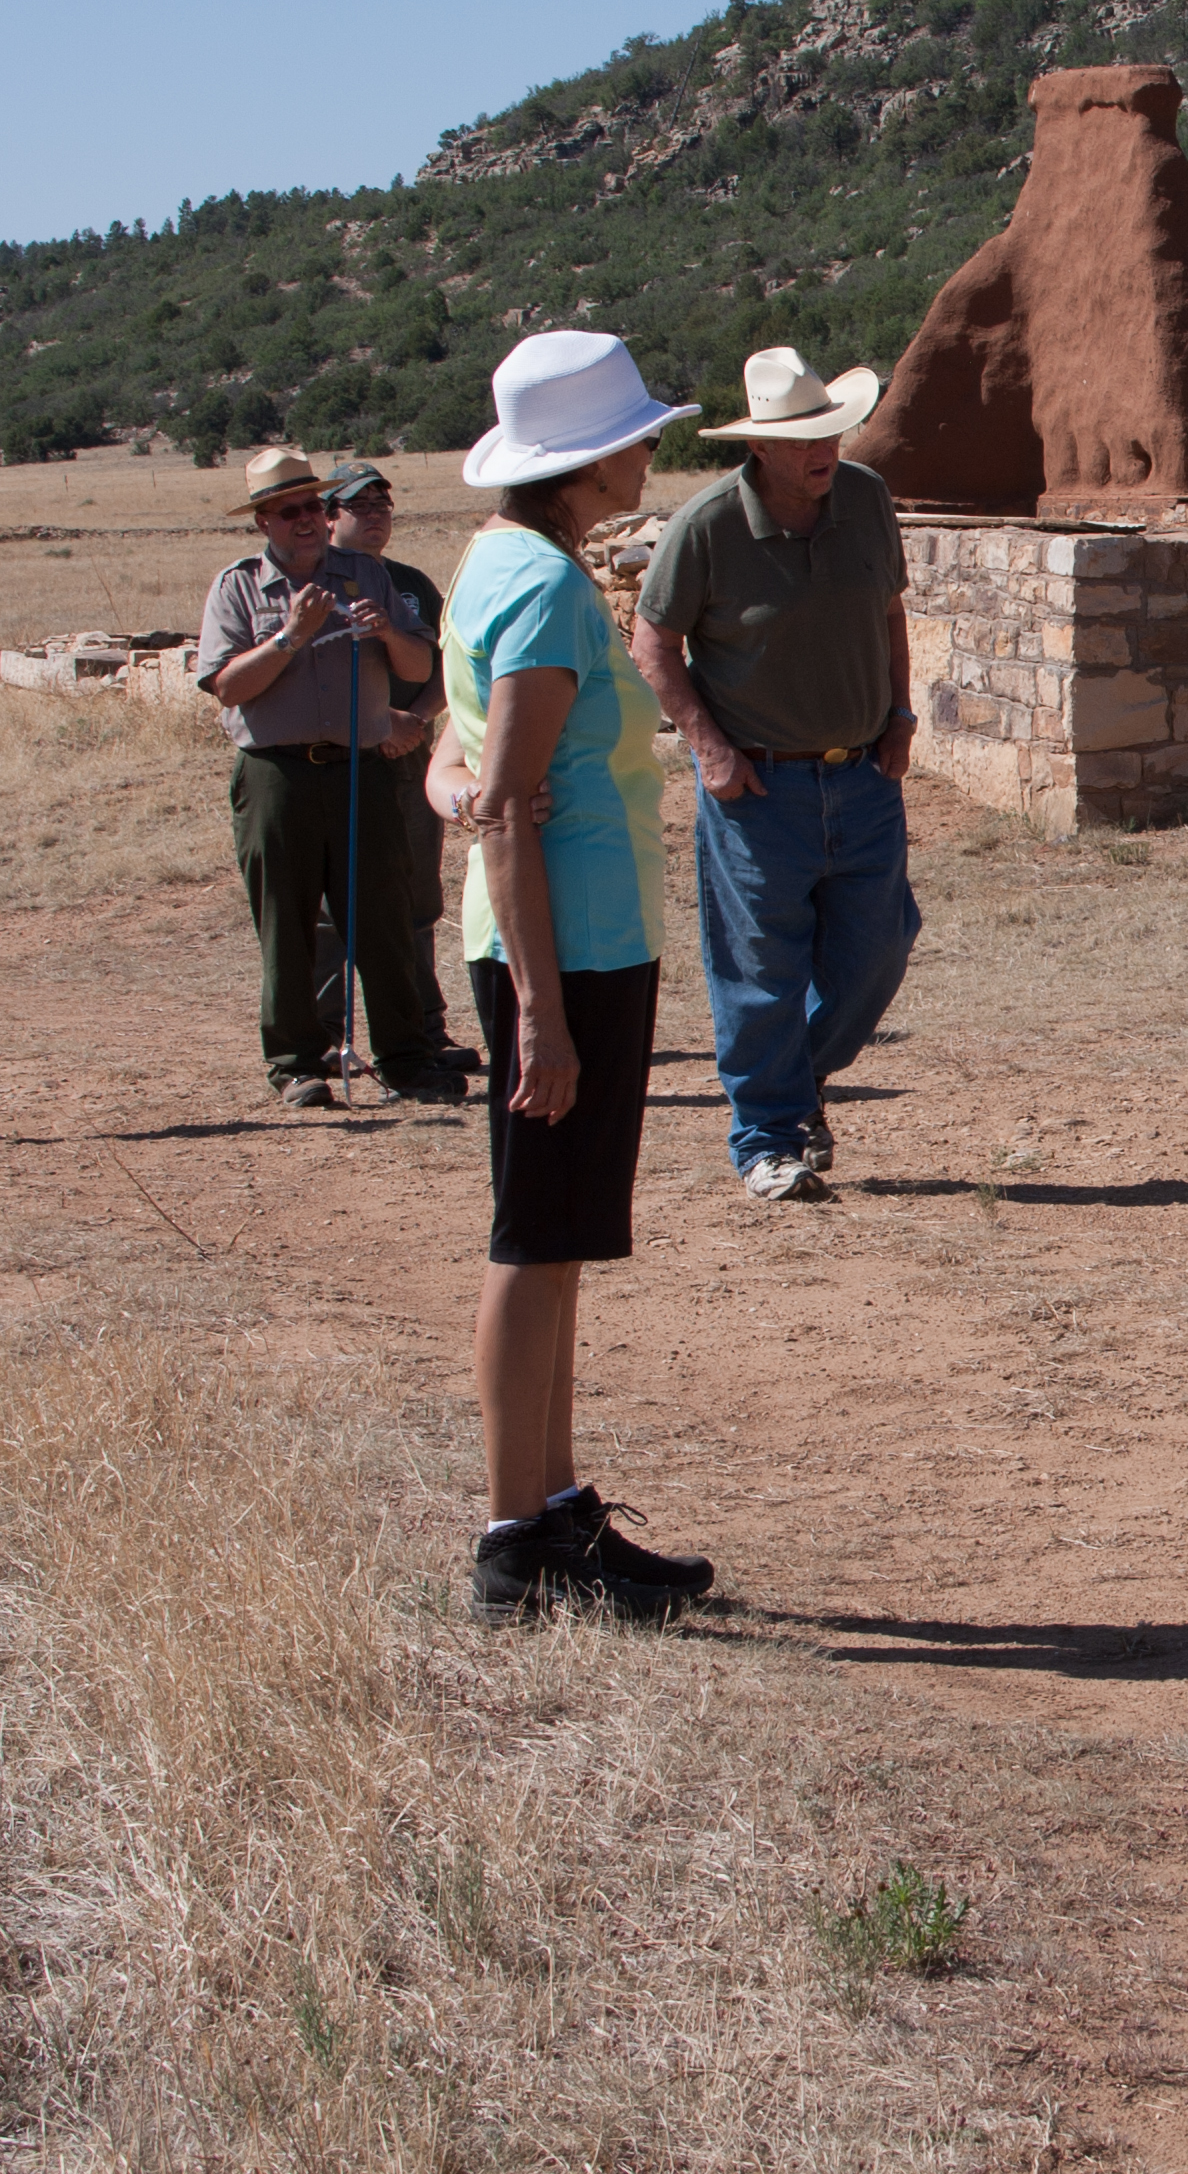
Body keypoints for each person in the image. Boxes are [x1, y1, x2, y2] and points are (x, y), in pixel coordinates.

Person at [442, 329, 713, 1622]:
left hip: (567, 943)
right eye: (636, 434)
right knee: (534, 1236)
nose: (650, 449)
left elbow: (460, 771)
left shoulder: (502, 564)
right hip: (568, 954)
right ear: (591, 461)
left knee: (556, 1245)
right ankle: (511, 1539)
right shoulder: (546, 592)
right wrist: (543, 1016)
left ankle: (550, 1511)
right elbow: (507, 806)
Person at [629, 347, 921, 1202]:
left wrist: (901, 715)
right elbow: (653, 644)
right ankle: (766, 1139)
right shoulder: (708, 525)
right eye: (802, 440)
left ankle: (796, 1086)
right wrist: (707, 747)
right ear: (759, 447)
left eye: (830, 431)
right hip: (758, 790)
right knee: (759, 970)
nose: (823, 450)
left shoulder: (866, 499)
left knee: (879, 953)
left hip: (866, 778)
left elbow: (892, 612)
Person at [195, 447, 460, 1108]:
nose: (307, 519)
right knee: (287, 923)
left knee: (384, 920)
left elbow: (420, 661)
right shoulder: (238, 587)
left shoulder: (364, 575)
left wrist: (385, 635)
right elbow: (227, 687)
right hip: (275, 776)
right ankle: (296, 1064)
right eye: (290, 511)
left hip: (360, 771)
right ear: (263, 521)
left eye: (315, 505)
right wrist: (289, 636)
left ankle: (406, 1059)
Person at [303, 458, 472, 1076]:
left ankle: (423, 1031)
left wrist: (416, 722)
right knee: (331, 913)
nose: (375, 518)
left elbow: (446, 666)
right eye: (360, 507)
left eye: (383, 506)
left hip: (406, 763)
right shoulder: (312, 581)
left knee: (416, 901)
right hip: (340, 763)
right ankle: (323, 1038)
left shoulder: (408, 583)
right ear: (329, 517)